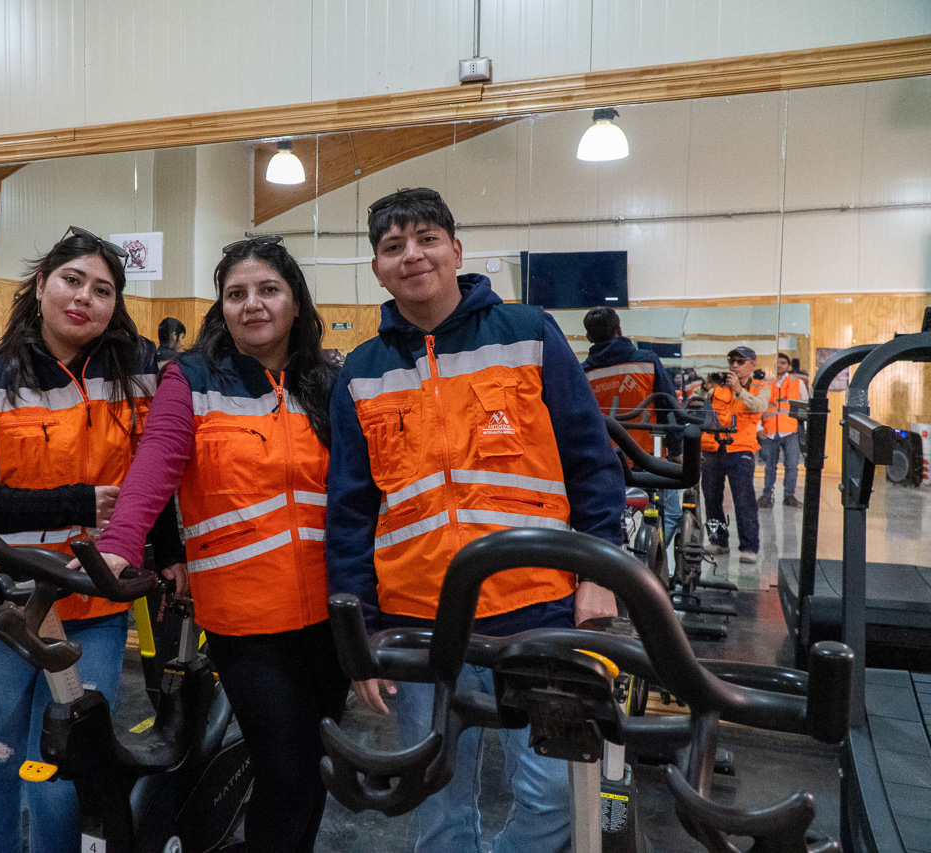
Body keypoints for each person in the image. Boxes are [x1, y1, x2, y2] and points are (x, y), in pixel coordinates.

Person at [326, 188, 624, 853]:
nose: (412, 255)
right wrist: (360, 634)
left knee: (554, 794)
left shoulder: (528, 332)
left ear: (456, 250)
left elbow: (592, 462)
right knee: (437, 801)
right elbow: (349, 511)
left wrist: (600, 574)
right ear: (377, 268)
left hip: (539, 608)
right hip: (419, 622)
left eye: (427, 238)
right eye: (393, 246)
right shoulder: (362, 373)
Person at [95, 235, 349, 853]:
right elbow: (157, 459)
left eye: (268, 290)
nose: (252, 304)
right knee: (285, 770)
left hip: (332, 614)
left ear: (295, 302)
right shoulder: (193, 378)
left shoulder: (328, 383)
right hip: (246, 617)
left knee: (316, 767)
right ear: (222, 307)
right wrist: (122, 541)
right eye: (236, 294)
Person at [0, 225, 183, 853]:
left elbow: (156, 472)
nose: (84, 298)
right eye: (72, 281)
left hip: (93, 601)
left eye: (102, 290)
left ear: (116, 304)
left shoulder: (141, 373)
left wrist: (171, 554)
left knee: (66, 760)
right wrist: (76, 502)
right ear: (41, 286)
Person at [581, 306, 682, 548]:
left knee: (611, 517)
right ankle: (652, 560)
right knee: (666, 515)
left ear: (588, 337)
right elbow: (668, 407)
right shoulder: (647, 361)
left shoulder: (584, 372)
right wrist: (676, 449)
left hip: (604, 461)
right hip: (647, 459)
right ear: (620, 329)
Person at [695, 346, 769, 564]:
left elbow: (759, 407)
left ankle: (749, 547)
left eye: (740, 361)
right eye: (731, 361)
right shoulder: (718, 387)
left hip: (741, 449)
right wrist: (705, 386)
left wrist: (738, 390)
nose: (734, 366)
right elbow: (695, 404)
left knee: (744, 498)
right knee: (711, 497)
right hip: (713, 447)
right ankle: (718, 541)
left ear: (752, 365)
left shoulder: (761, 388)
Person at [757, 352, 807, 508]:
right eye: (777, 362)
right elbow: (757, 407)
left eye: (783, 363)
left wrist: (803, 430)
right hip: (769, 431)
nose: (779, 365)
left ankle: (789, 496)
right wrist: (759, 427)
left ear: (788, 366)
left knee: (792, 465)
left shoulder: (797, 383)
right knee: (769, 466)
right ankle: (766, 496)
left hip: (791, 431)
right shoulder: (765, 384)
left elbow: (805, 407)